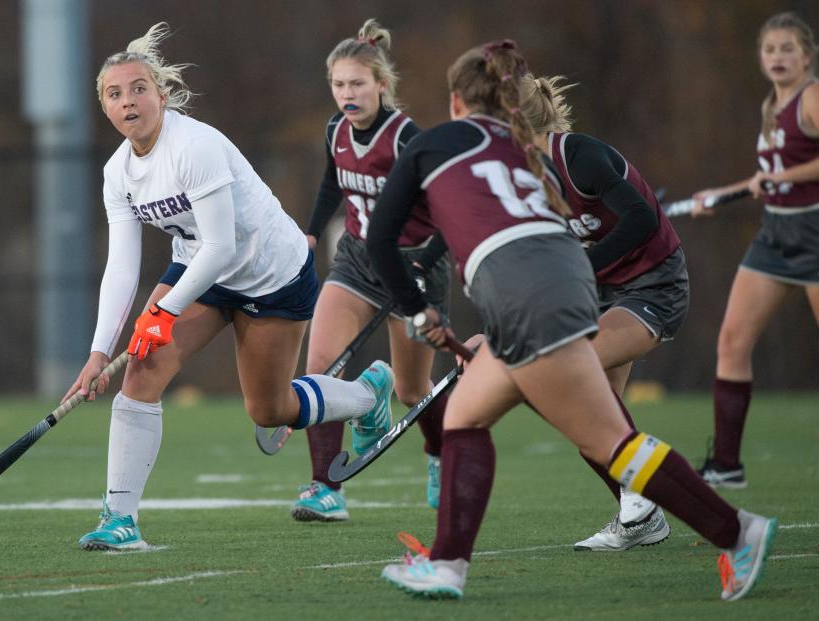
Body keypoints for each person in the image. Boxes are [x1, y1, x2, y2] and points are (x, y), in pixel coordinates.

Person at [366, 39, 776, 602]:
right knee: (465, 415)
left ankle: (739, 533)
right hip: (565, 285)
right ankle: (448, 564)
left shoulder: (430, 143)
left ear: (457, 101)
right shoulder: (527, 150)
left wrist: (419, 313)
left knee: (609, 439)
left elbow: (380, 240)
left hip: (536, 295)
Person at [63, 22, 396, 551]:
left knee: (270, 410)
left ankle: (366, 395)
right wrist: (99, 351)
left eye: (139, 89)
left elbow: (221, 246)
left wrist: (165, 309)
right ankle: (119, 521)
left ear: (162, 95)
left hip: (271, 274)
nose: (128, 101)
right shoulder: (117, 173)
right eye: (114, 94)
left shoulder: (193, 146)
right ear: (104, 107)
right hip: (201, 272)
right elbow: (122, 267)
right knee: (141, 375)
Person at [290, 19, 452, 523]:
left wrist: (427, 261)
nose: (347, 94)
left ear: (381, 84)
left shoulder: (409, 140)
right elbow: (330, 184)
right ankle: (325, 487)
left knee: (411, 389)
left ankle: (439, 454)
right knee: (322, 368)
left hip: (413, 267)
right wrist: (312, 232)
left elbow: (452, 212)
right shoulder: (335, 130)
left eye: (357, 83)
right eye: (338, 85)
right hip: (357, 260)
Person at [518, 74, 688, 551]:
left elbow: (640, 218)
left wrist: (581, 267)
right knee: (589, 419)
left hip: (653, 283)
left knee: (575, 377)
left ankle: (656, 509)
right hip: (598, 291)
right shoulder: (521, 177)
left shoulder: (578, 157)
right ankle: (640, 515)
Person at [690, 12, 819, 489]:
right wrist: (720, 194)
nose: (778, 57)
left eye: (788, 49)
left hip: (813, 233)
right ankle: (727, 463)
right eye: (770, 50)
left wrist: (780, 178)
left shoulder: (812, 96)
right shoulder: (772, 106)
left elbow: (784, 174)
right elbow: (765, 180)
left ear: (807, 55)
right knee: (732, 342)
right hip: (774, 235)